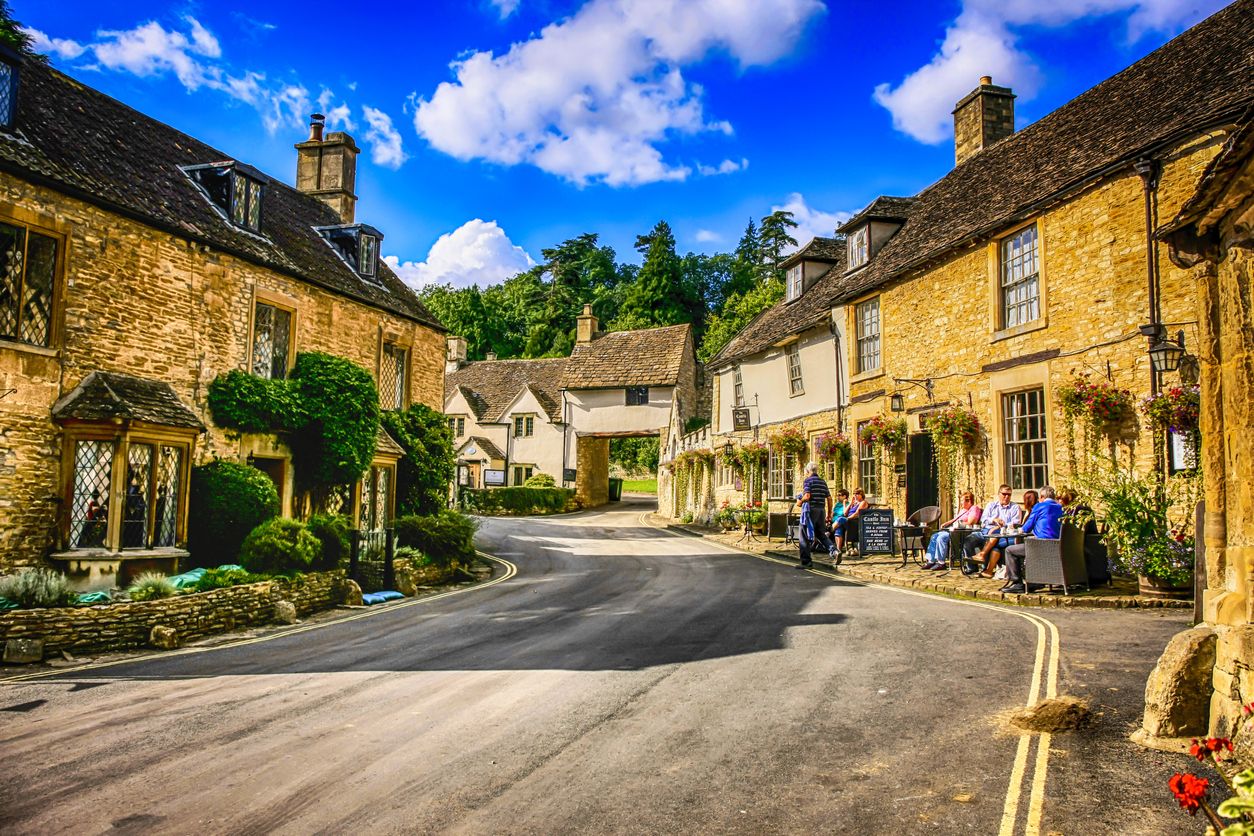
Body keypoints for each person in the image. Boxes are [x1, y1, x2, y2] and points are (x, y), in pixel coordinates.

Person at [1001, 485, 1064, 593]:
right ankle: (1036, 582)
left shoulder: (1039, 507)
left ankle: (1017, 583)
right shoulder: (1061, 508)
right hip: (1058, 547)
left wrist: (1017, 530)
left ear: (1042, 497)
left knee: (1010, 550)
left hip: (1040, 546)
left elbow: (1026, 528)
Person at [962, 484, 1023, 576]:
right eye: (1004, 494)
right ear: (999, 494)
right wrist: (994, 520)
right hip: (985, 531)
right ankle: (972, 567)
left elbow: (1015, 523)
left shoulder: (1015, 507)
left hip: (1002, 534)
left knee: (996, 538)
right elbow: (984, 519)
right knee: (969, 540)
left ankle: (984, 560)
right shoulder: (991, 505)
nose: (1006, 497)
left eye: (1009, 495)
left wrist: (1000, 526)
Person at [923, 490, 983, 570]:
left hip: (961, 532)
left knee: (942, 538)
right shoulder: (963, 510)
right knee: (934, 536)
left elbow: (971, 522)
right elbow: (955, 519)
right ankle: (931, 560)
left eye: (962, 501)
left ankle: (941, 562)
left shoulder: (974, 509)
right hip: (954, 530)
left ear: (969, 501)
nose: (961, 503)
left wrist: (958, 524)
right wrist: (947, 523)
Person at [795, 461, 836, 569]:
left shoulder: (808, 481)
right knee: (821, 534)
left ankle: (806, 562)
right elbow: (829, 498)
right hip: (821, 510)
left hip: (811, 510)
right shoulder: (822, 482)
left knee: (803, 535)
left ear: (808, 471)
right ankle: (834, 550)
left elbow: (807, 496)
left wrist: (800, 501)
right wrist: (829, 513)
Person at [832, 488, 868, 558]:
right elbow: (845, 513)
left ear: (861, 495)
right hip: (849, 521)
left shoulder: (863, 502)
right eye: (854, 494)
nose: (855, 495)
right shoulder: (854, 503)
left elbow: (856, 514)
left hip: (855, 522)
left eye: (857, 494)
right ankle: (838, 551)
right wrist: (850, 503)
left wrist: (847, 518)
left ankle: (830, 530)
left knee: (840, 519)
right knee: (838, 528)